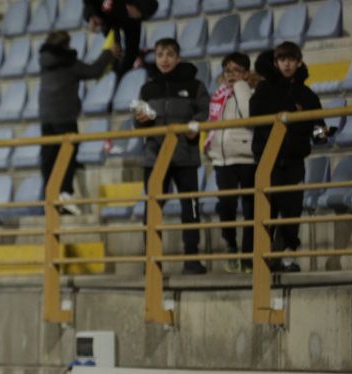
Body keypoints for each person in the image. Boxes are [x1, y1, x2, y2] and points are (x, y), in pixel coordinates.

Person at [134, 37, 209, 275]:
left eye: (169, 54)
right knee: (152, 208)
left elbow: (204, 111)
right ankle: (151, 260)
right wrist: (140, 120)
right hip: (154, 157)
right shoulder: (147, 88)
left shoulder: (195, 85)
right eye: (160, 55)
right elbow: (138, 123)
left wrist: (195, 124)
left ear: (177, 57)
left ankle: (192, 259)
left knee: (191, 208)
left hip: (185, 155)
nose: (164, 59)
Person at [250, 41, 323, 274]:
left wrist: (323, 134)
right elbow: (255, 117)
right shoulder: (264, 90)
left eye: (291, 59)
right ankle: (265, 256)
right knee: (268, 209)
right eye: (282, 59)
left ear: (299, 62)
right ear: (275, 63)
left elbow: (318, 128)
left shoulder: (307, 95)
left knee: (292, 210)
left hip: (293, 161)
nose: (287, 64)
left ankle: (284, 254)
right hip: (267, 161)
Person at [38, 30, 120, 214]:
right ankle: (65, 194)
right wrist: (108, 53)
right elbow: (94, 71)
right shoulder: (68, 63)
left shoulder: (44, 63)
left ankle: (49, 196)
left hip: (46, 118)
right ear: (66, 45)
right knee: (68, 155)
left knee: (49, 158)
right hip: (64, 117)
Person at [205, 52, 256, 269]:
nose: (232, 75)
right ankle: (231, 245)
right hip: (222, 160)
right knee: (226, 205)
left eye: (237, 70)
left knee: (251, 209)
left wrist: (241, 87)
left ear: (246, 73)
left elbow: (249, 116)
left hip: (246, 158)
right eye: (228, 71)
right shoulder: (218, 96)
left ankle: (248, 256)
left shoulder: (251, 92)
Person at [84, 0, 159, 75]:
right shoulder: (121, 9)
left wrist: (122, 75)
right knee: (113, 53)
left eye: (139, 16)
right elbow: (89, 2)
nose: (135, 16)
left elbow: (132, 51)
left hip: (113, 20)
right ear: (132, 6)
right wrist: (91, 15)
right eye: (137, 13)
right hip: (106, 18)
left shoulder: (134, 20)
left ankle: (117, 76)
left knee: (120, 54)